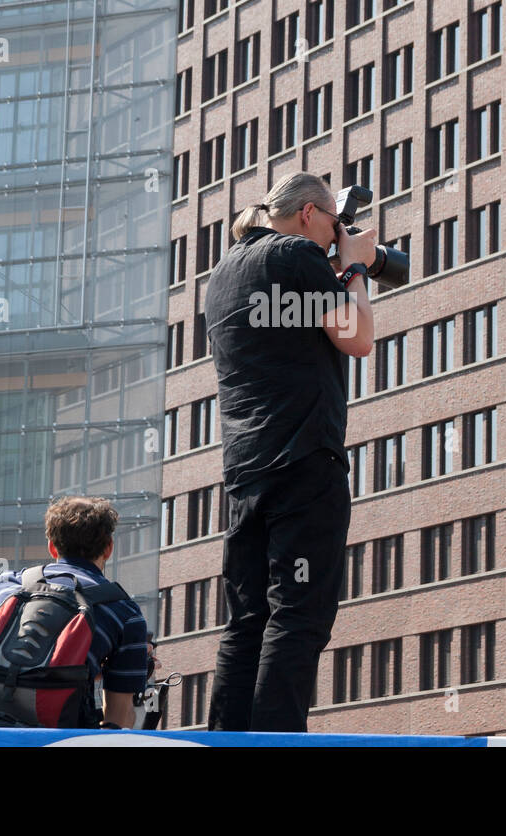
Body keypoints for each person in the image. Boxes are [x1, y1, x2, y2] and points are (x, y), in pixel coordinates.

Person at [203, 171, 376, 732]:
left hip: (245, 472)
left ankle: (227, 742)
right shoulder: (297, 253)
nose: (334, 235)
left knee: (248, 618)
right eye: (333, 225)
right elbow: (357, 337)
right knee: (299, 614)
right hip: (303, 462)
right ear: (308, 213)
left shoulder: (224, 272)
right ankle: (277, 742)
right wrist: (354, 267)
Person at [0, 496, 148, 729]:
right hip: (59, 735)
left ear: (52, 546)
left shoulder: (7, 585)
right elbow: (119, 717)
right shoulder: (123, 611)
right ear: (109, 548)